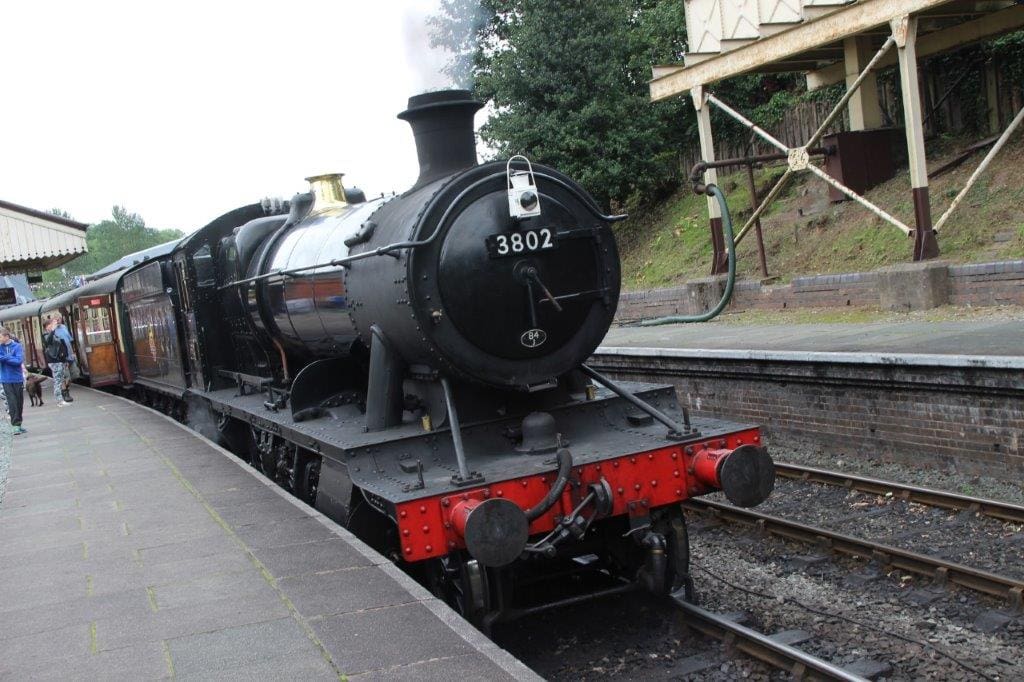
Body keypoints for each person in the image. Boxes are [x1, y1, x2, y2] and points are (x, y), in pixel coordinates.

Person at [43, 315, 76, 407]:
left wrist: (64, 359)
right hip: (54, 361)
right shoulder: (46, 335)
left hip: (60, 360)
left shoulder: (55, 334)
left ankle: (60, 400)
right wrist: (53, 330)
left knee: (61, 379)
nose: (54, 325)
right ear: (47, 326)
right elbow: (49, 341)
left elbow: (62, 346)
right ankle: (59, 400)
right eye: (51, 324)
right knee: (58, 381)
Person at [0, 327, 26, 434]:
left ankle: (18, 424)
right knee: (12, 402)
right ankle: (14, 424)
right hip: (6, 379)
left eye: (0, 337)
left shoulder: (17, 346)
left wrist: (5, 358)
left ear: (6, 336)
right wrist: (10, 357)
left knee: (19, 402)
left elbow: (18, 361)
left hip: (17, 378)